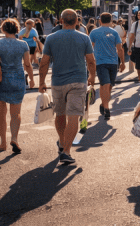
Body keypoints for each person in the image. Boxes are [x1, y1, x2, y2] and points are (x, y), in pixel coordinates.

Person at [39, 9, 96, 166]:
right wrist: (92, 76)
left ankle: (62, 142)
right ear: (77, 21)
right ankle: (67, 151)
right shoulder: (84, 38)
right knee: (74, 116)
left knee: (60, 114)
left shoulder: (51, 38)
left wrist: (41, 82)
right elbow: (91, 60)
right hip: (78, 81)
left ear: (61, 21)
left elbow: (44, 62)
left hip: (58, 81)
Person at [0, 18, 35, 153]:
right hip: (18, 80)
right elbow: (27, 64)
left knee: (1, 113)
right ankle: (14, 138)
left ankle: (3, 143)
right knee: (16, 113)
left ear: (3, 29)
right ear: (17, 30)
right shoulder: (23, 44)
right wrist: (31, 79)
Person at [89, 13, 124, 120]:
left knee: (108, 86)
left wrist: (122, 62)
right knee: (106, 84)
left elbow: (90, 49)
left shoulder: (94, 32)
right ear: (111, 21)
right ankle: (107, 109)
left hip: (112, 63)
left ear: (100, 20)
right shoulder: (113, 32)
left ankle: (103, 104)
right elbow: (120, 49)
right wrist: (122, 62)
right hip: (101, 63)